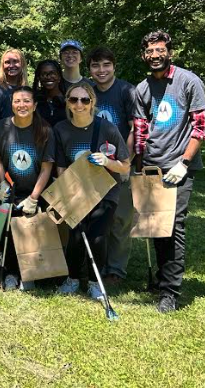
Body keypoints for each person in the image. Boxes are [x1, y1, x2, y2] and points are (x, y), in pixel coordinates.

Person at [132, 30, 205, 313]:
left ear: (170, 52)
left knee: (174, 227)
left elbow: (202, 126)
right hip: (152, 167)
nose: (155, 56)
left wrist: (185, 162)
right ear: (144, 55)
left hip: (179, 167)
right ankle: (162, 279)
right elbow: (141, 131)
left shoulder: (188, 81)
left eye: (160, 50)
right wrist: (139, 167)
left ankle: (170, 293)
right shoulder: (142, 88)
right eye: (150, 52)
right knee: (156, 226)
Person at [54, 82, 130, 302]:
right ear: (68, 103)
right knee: (76, 235)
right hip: (75, 191)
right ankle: (73, 279)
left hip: (104, 192)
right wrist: (66, 191)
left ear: (92, 103)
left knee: (96, 235)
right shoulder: (60, 129)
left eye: (84, 100)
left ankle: (96, 283)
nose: (79, 105)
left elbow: (124, 166)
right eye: (73, 100)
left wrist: (108, 161)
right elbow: (60, 166)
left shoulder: (106, 128)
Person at [0, 86, 55, 291]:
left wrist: (34, 197)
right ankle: (11, 273)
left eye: (27, 101)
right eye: (17, 101)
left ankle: (29, 273)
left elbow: (47, 167)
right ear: (11, 104)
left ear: (35, 105)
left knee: (31, 232)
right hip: (10, 191)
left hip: (33, 192)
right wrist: (2, 181)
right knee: (9, 233)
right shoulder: (2, 127)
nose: (22, 105)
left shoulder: (45, 130)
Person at [87, 46, 136, 285]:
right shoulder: (87, 91)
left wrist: (126, 162)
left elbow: (136, 129)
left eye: (106, 65)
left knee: (120, 219)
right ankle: (98, 264)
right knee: (98, 216)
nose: (101, 70)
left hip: (120, 164)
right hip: (93, 166)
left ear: (114, 66)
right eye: (96, 66)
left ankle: (116, 269)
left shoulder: (126, 91)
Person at [33, 59, 67, 127]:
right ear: (39, 78)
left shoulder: (69, 98)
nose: (48, 77)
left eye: (52, 73)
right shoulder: (34, 99)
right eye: (44, 74)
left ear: (59, 77)